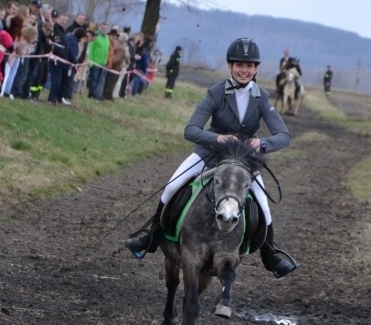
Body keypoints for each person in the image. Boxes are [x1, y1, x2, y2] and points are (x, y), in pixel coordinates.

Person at [124, 38, 297, 279]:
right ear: (230, 66)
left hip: (243, 162)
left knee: (264, 206)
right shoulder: (216, 93)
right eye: (239, 65)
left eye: (249, 66)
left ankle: (271, 255)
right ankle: (151, 236)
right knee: (172, 186)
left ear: (256, 69)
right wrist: (217, 138)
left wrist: (262, 143)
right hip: (210, 155)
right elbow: (191, 130)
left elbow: (284, 136)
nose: (244, 70)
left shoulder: (262, 98)